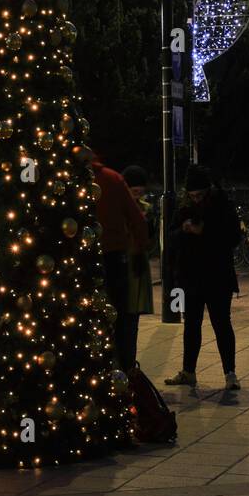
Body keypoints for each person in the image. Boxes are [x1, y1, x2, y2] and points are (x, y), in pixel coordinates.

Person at [165, 163, 242, 392]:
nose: (195, 199)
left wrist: (204, 231)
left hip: (218, 276)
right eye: (192, 195)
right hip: (191, 277)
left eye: (199, 195)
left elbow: (233, 237)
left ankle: (230, 373)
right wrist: (184, 230)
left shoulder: (222, 207)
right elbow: (171, 238)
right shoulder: (184, 209)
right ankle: (189, 371)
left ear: (207, 191)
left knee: (222, 324)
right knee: (192, 325)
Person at [92, 150, 148, 371]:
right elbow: (138, 222)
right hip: (116, 257)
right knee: (124, 318)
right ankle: (124, 368)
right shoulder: (112, 179)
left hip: (85, 260)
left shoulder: (68, 182)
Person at [121, 165, 155, 368]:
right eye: (134, 192)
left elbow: (149, 244)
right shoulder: (119, 209)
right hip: (123, 267)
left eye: (140, 193)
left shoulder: (146, 209)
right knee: (124, 319)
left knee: (132, 320)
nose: (137, 196)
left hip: (137, 267)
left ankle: (130, 360)